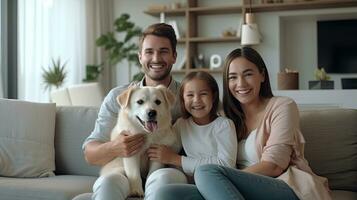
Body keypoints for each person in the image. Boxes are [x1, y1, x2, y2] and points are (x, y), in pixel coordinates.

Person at [155, 47, 331, 200]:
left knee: (206, 172)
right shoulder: (224, 116)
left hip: (285, 186)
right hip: (234, 188)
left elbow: (275, 165)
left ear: (262, 75)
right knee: (166, 193)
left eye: (248, 74)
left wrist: (221, 178)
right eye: (232, 77)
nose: (240, 84)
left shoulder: (283, 106)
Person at [81, 23, 187, 200]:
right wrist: (115, 147)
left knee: (163, 182)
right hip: (121, 168)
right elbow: (90, 154)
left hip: (166, 169)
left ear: (174, 56)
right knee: (108, 183)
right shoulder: (118, 96)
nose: (156, 58)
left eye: (163, 51)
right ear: (140, 57)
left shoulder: (189, 97)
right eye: (149, 52)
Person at [147, 71, 237, 177]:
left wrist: (177, 160)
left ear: (213, 96)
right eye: (190, 95)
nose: (196, 100)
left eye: (203, 94)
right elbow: (167, 148)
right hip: (194, 182)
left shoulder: (224, 125)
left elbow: (226, 164)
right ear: (183, 100)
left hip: (222, 181)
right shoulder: (182, 125)